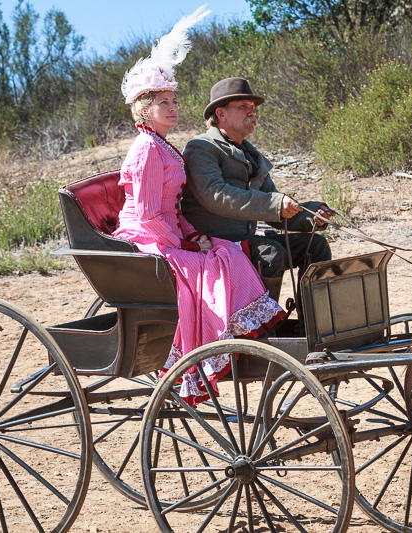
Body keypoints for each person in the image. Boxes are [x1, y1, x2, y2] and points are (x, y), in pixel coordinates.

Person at [112, 7, 284, 405]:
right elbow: (152, 215)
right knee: (214, 262)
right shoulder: (146, 152)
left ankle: (243, 333)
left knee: (223, 252)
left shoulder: (162, 145)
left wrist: (193, 233)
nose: (173, 108)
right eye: (163, 103)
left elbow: (173, 209)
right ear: (144, 109)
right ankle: (217, 345)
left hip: (169, 230)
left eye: (174, 101)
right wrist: (187, 243)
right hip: (147, 237)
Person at [181, 77, 335, 301]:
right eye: (243, 107)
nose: (252, 112)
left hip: (243, 241)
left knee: (316, 245)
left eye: (253, 108)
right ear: (221, 114)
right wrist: (275, 205)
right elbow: (215, 196)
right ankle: (263, 328)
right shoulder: (201, 148)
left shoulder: (251, 154)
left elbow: (273, 206)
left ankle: (309, 325)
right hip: (213, 242)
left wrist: (313, 215)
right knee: (271, 254)